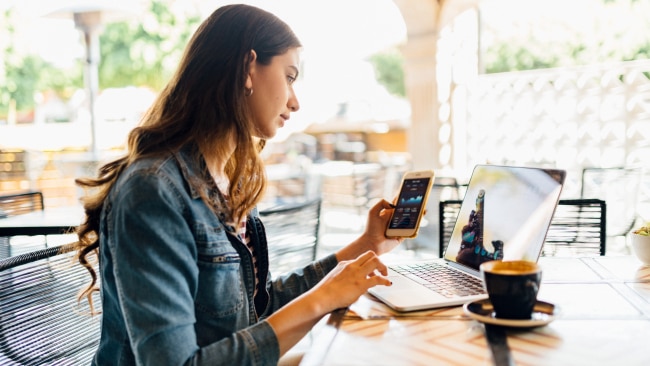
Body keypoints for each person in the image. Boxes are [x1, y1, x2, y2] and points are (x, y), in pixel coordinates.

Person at [73, 4, 403, 365]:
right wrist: (323, 299)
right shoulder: (153, 191)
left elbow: (256, 308)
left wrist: (367, 245)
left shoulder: (229, 180)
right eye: (289, 76)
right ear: (248, 67)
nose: (295, 101)